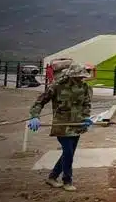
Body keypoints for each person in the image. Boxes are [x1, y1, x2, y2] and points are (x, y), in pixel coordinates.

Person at [28, 62, 93, 192]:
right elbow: (40, 101)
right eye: (78, 77)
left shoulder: (85, 87)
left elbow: (86, 104)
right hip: (62, 125)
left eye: (82, 77)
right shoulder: (57, 86)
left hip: (77, 125)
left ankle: (52, 177)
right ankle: (67, 180)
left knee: (68, 153)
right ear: (71, 76)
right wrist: (35, 115)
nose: (80, 79)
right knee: (68, 152)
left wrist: (86, 117)